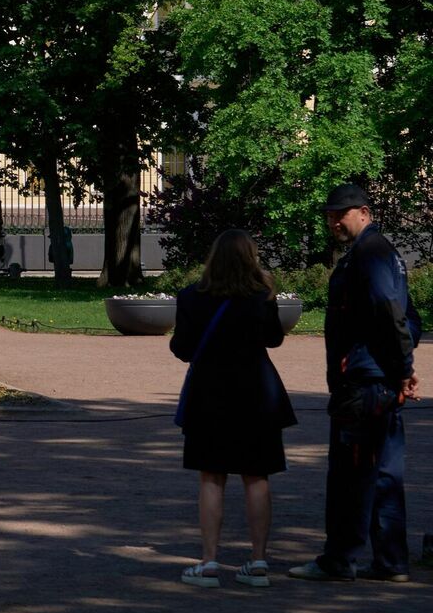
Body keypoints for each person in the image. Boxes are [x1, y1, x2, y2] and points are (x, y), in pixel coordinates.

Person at [291, 184, 422, 583]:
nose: (333, 222)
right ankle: (390, 560)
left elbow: (391, 312)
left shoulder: (369, 254)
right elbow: (409, 319)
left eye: (339, 214)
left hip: (364, 384)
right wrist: (401, 367)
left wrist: (400, 367)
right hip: (377, 379)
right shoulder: (381, 253)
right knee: (383, 473)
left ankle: (339, 559)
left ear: (363, 211)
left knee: (350, 475)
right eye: (329, 215)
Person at [169, 229, 296, 588]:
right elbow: (274, 338)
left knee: (211, 477)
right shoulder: (262, 297)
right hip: (257, 396)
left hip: (210, 396)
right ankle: (258, 561)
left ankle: (209, 561)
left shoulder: (192, 297)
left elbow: (182, 348)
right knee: (257, 477)